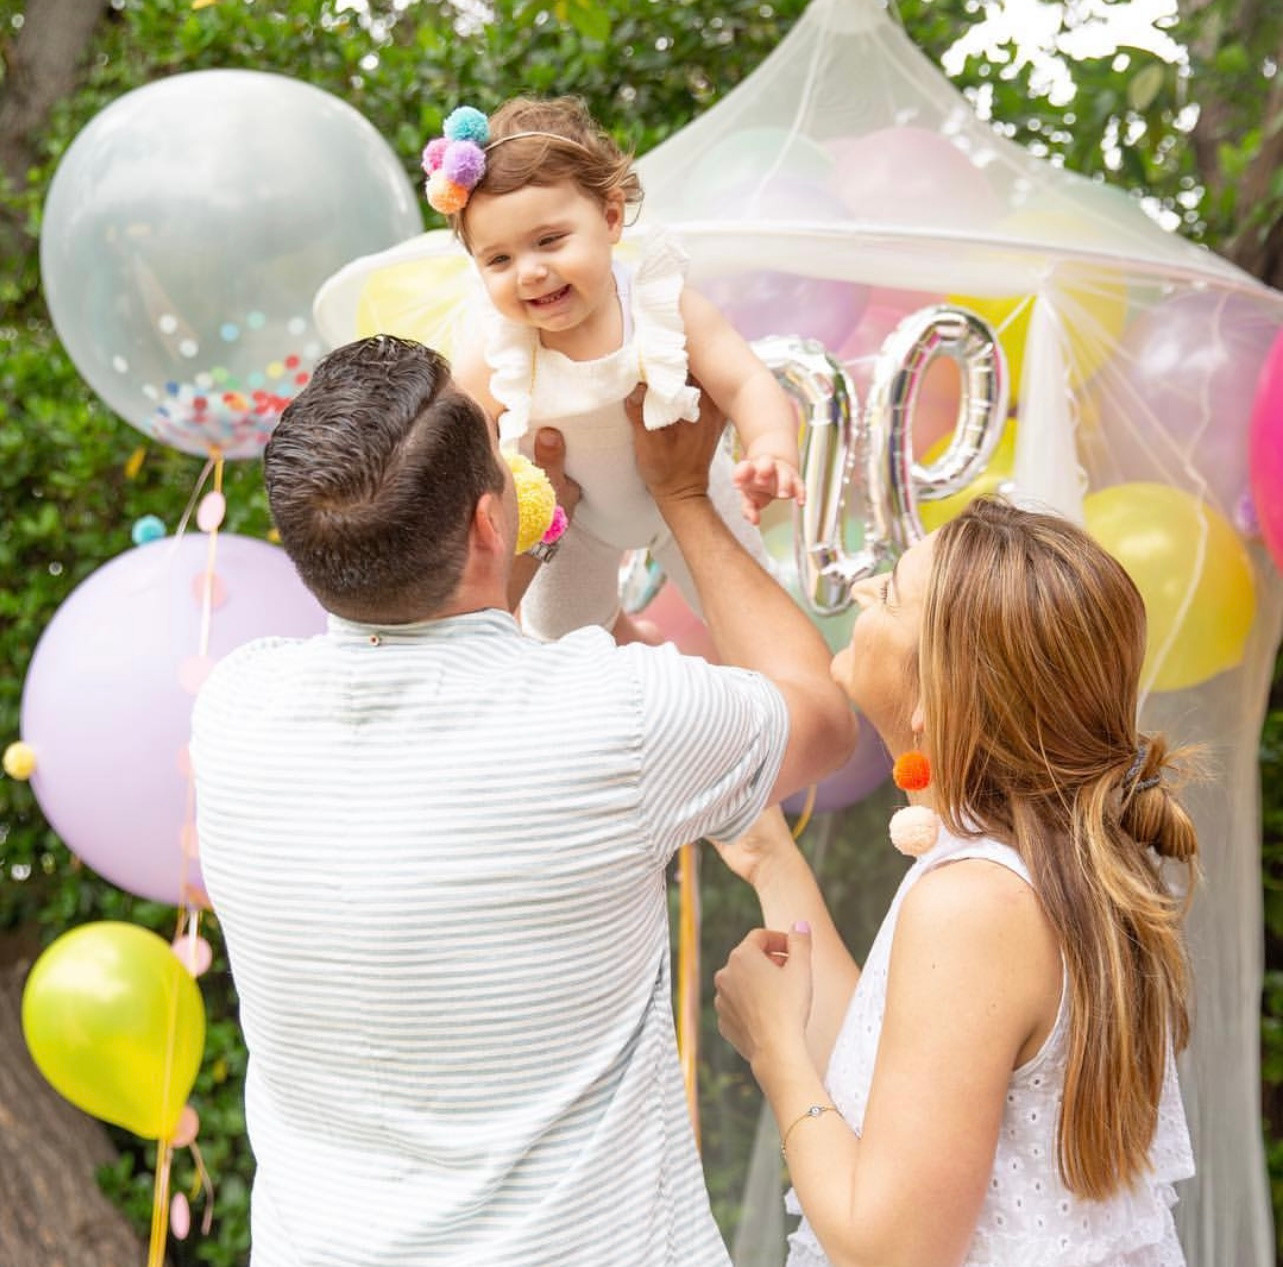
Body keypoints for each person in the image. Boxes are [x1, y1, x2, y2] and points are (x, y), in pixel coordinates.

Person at [190, 334, 856, 1266]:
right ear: (487, 520)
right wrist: (680, 497)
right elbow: (824, 716)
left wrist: (496, 549)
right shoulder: (616, 718)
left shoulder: (233, 709)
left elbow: (397, 630)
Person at [712, 497, 1197, 1267]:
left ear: (934, 702)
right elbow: (890, 1075)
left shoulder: (976, 902)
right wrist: (773, 861)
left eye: (892, 594)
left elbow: (893, 1247)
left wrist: (774, 1048)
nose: (864, 591)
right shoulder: (1007, 867)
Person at [423, 95, 802, 644]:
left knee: (754, 614)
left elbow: (743, 380)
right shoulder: (497, 348)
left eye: (549, 241)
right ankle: (634, 637)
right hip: (568, 520)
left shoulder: (659, 305)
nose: (529, 272)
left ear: (610, 217)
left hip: (693, 490)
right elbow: (461, 437)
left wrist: (770, 445)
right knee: (559, 637)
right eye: (499, 260)